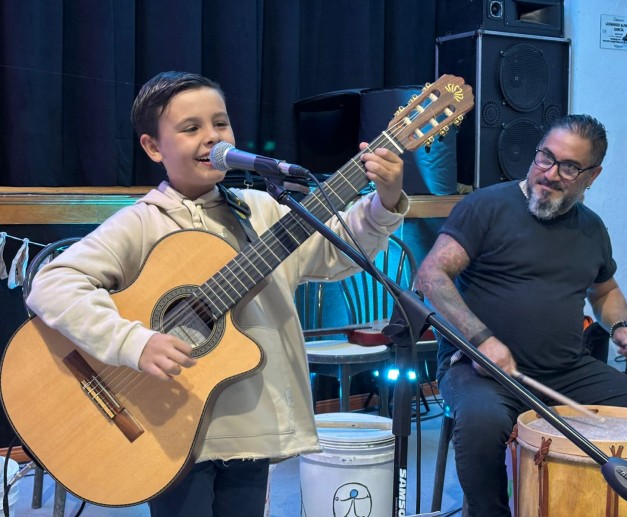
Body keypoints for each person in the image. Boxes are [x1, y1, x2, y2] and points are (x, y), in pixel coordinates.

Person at [26, 71, 408, 516]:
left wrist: (384, 200)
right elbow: (53, 283)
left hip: (251, 422)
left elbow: (336, 251)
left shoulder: (264, 209)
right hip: (168, 425)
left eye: (220, 124)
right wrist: (133, 341)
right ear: (153, 147)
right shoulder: (144, 221)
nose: (212, 138)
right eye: (191, 129)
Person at [415, 114, 627, 516]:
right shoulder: (486, 206)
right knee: (481, 423)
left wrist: (622, 327)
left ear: (593, 175)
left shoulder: (592, 229)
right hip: (481, 368)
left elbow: (604, 290)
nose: (550, 173)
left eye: (569, 167)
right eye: (545, 158)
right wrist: (482, 340)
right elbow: (431, 277)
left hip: (566, 369)